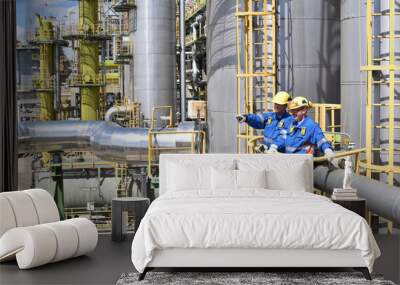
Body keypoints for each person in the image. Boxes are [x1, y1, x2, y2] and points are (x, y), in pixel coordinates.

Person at [274, 96, 335, 161]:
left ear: (304, 110)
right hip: (289, 161)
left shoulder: (311, 126)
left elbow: (321, 140)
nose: (292, 113)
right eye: (291, 111)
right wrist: (274, 146)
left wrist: (327, 150)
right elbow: (282, 137)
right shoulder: (290, 123)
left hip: (304, 162)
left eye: (295, 111)